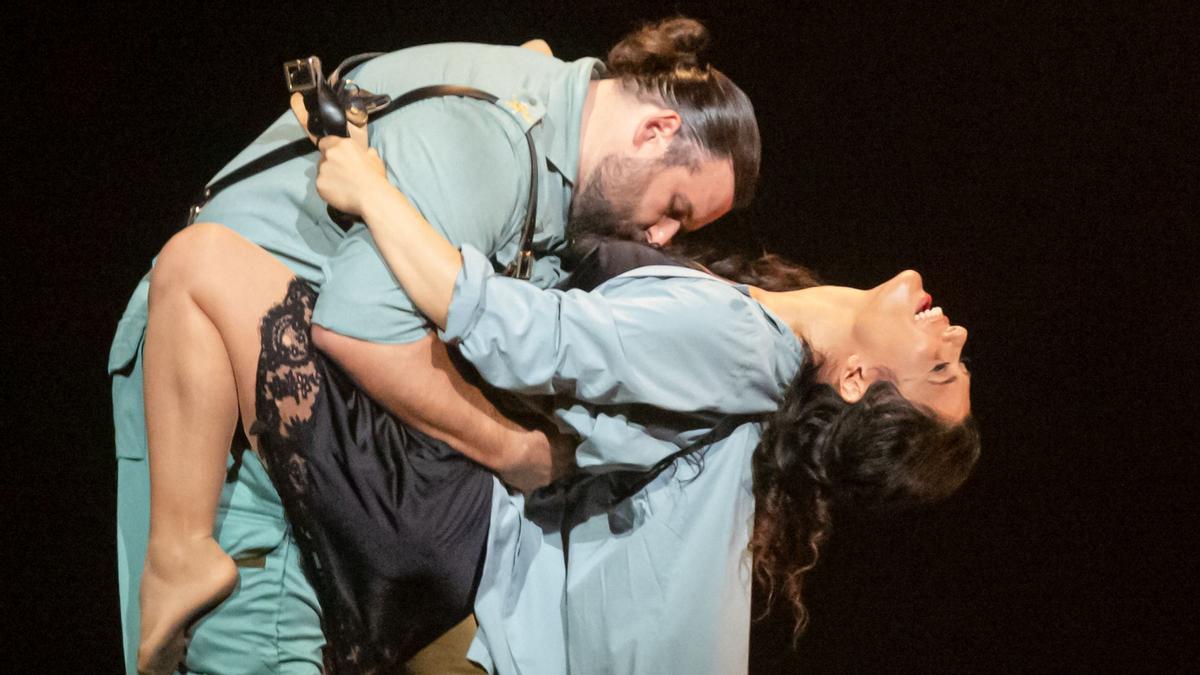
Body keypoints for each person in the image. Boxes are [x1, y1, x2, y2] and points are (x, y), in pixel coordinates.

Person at [133, 131, 978, 672]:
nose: (958, 338)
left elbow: (513, 329)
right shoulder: (753, 338)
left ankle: (179, 549)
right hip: (473, 578)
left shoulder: (747, 344)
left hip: (460, 539)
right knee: (211, 278)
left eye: (942, 371)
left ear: (862, 381)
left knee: (206, 263)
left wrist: (371, 185)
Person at [114, 18, 761, 674]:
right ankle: (182, 549)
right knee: (234, 648)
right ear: (656, 129)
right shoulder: (494, 142)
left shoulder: (554, 127)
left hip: (286, 401)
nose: (659, 235)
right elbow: (364, 333)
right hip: (222, 394)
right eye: (674, 207)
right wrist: (516, 451)